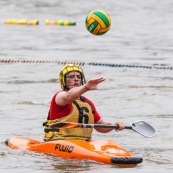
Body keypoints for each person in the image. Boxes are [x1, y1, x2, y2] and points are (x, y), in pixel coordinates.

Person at [43, 64, 124, 141]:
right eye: (71, 77)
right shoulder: (60, 96)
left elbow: (100, 126)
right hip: (59, 141)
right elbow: (69, 96)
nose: (76, 79)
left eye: (78, 77)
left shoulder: (87, 103)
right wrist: (86, 87)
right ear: (63, 80)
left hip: (82, 143)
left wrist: (114, 125)